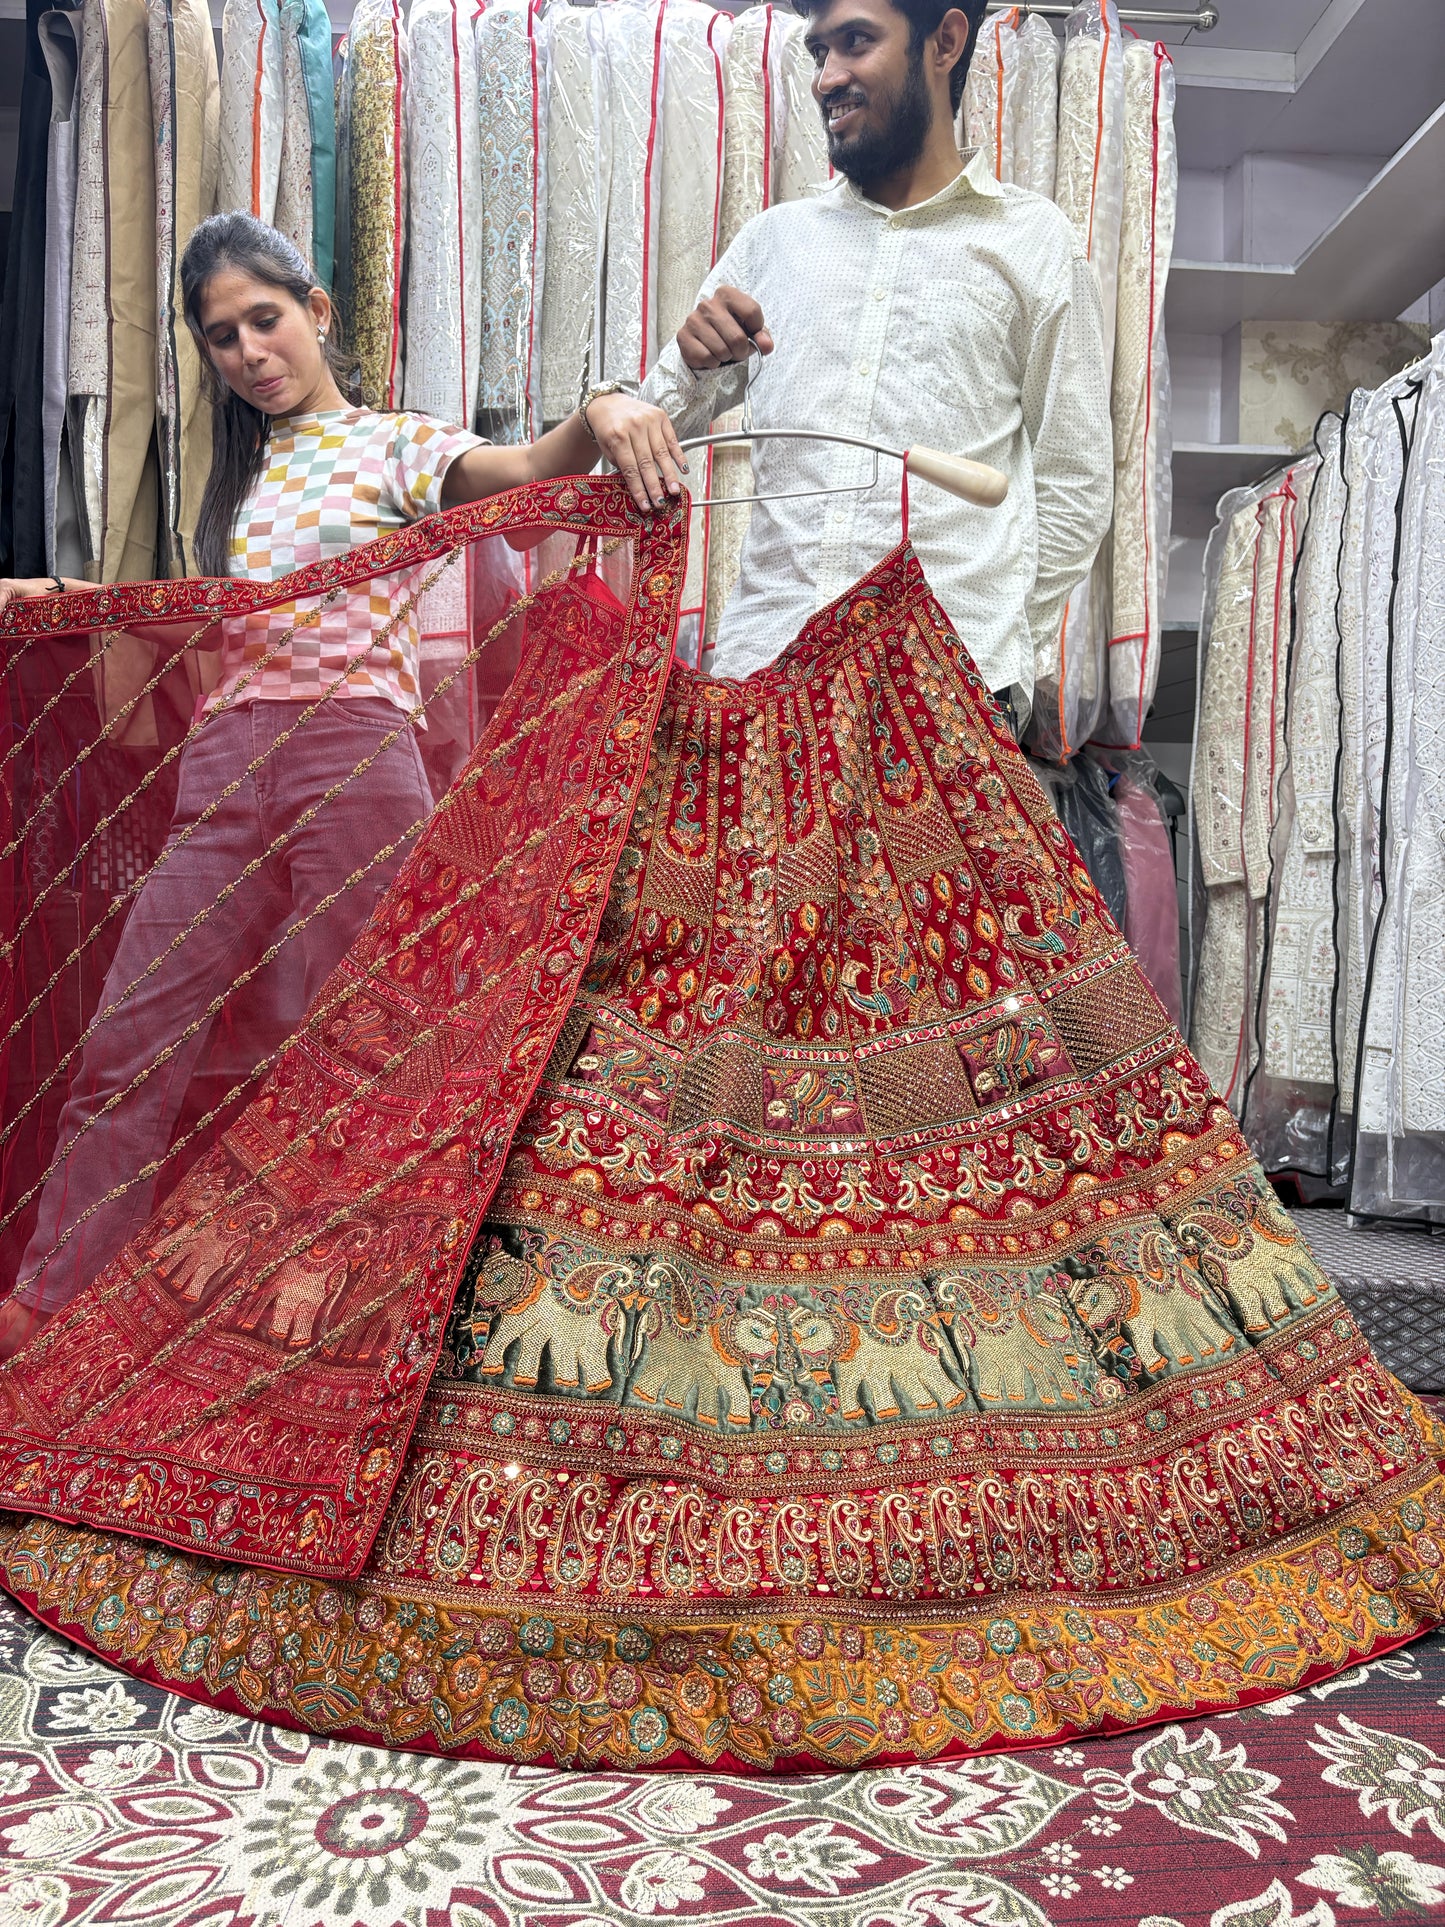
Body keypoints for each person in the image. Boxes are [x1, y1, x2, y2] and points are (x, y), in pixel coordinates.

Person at [0, 212, 686, 1360]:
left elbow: (521, 472)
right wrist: (66, 598)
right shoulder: (236, 480)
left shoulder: (390, 446)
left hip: (354, 762)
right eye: (220, 338)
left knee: (365, 1043)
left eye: (264, 320)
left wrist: (606, 402)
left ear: (315, 313)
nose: (247, 352)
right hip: (227, 763)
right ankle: (49, 1300)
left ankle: (359, 1301)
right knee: (131, 1030)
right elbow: (213, 628)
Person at [643, 0, 1112, 735]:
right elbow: (646, 444)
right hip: (761, 682)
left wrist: (989, 646)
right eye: (818, 53)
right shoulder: (774, 244)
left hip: (947, 699)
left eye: (856, 43)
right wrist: (691, 367)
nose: (827, 78)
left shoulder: (1033, 244)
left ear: (945, 41)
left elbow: (1075, 482)